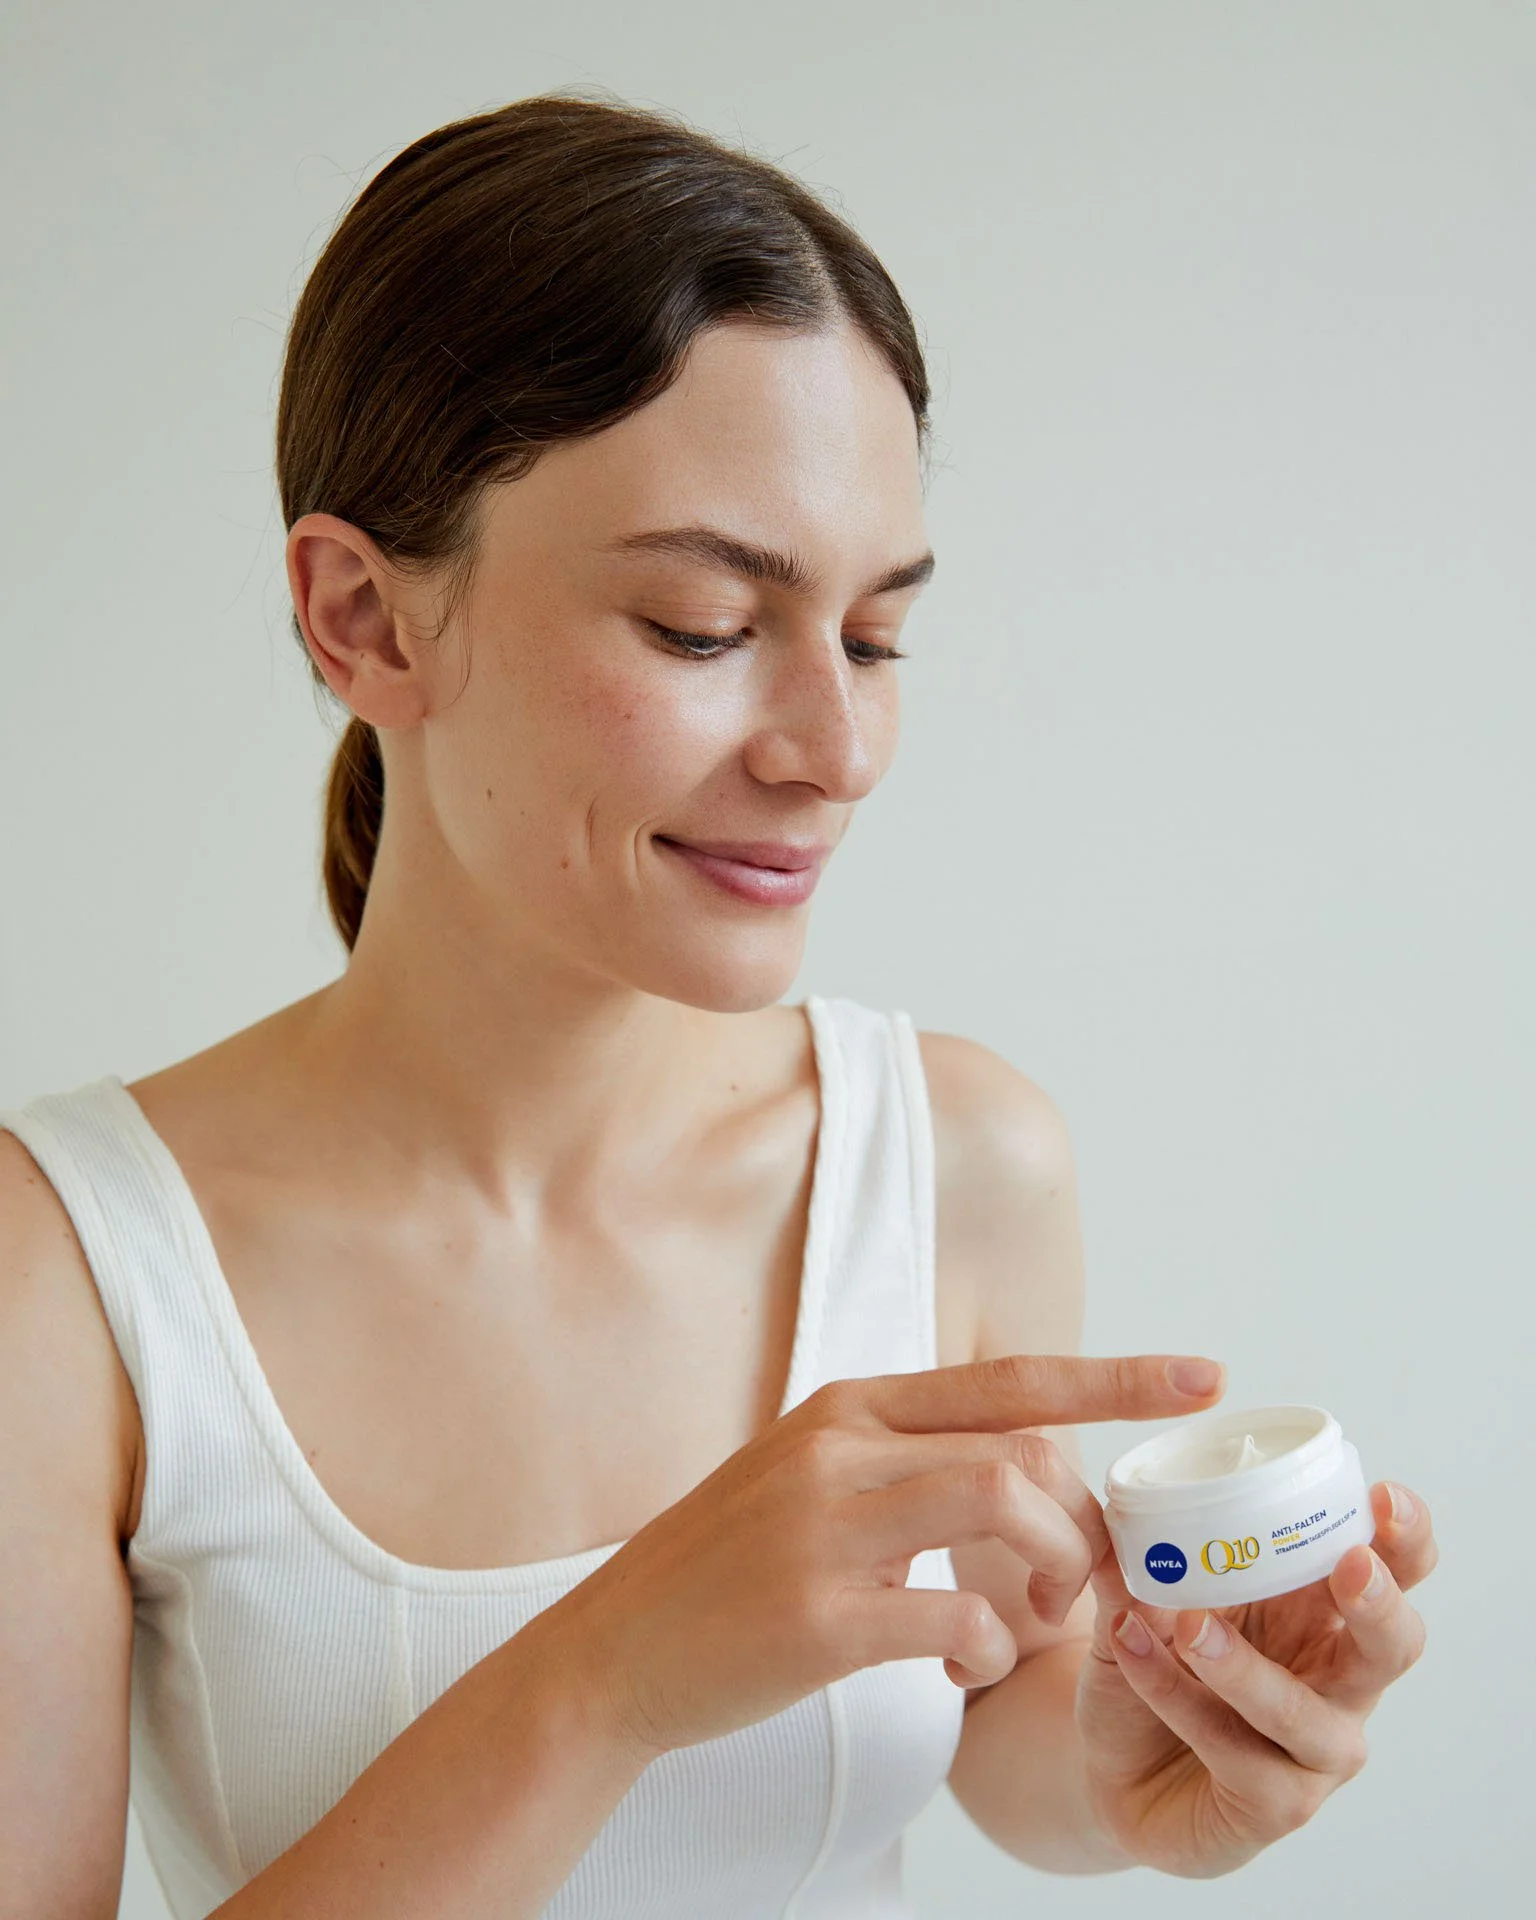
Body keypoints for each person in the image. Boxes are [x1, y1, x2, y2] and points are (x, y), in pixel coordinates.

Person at [0, 89, 1435, 1920]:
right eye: (698, 626)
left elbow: (998, 1719)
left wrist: (1142, 1762)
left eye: (878, 635)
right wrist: (608, 1679)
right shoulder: (68, 1281)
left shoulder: (963, 1163)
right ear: (362, 617)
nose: (836, 750)